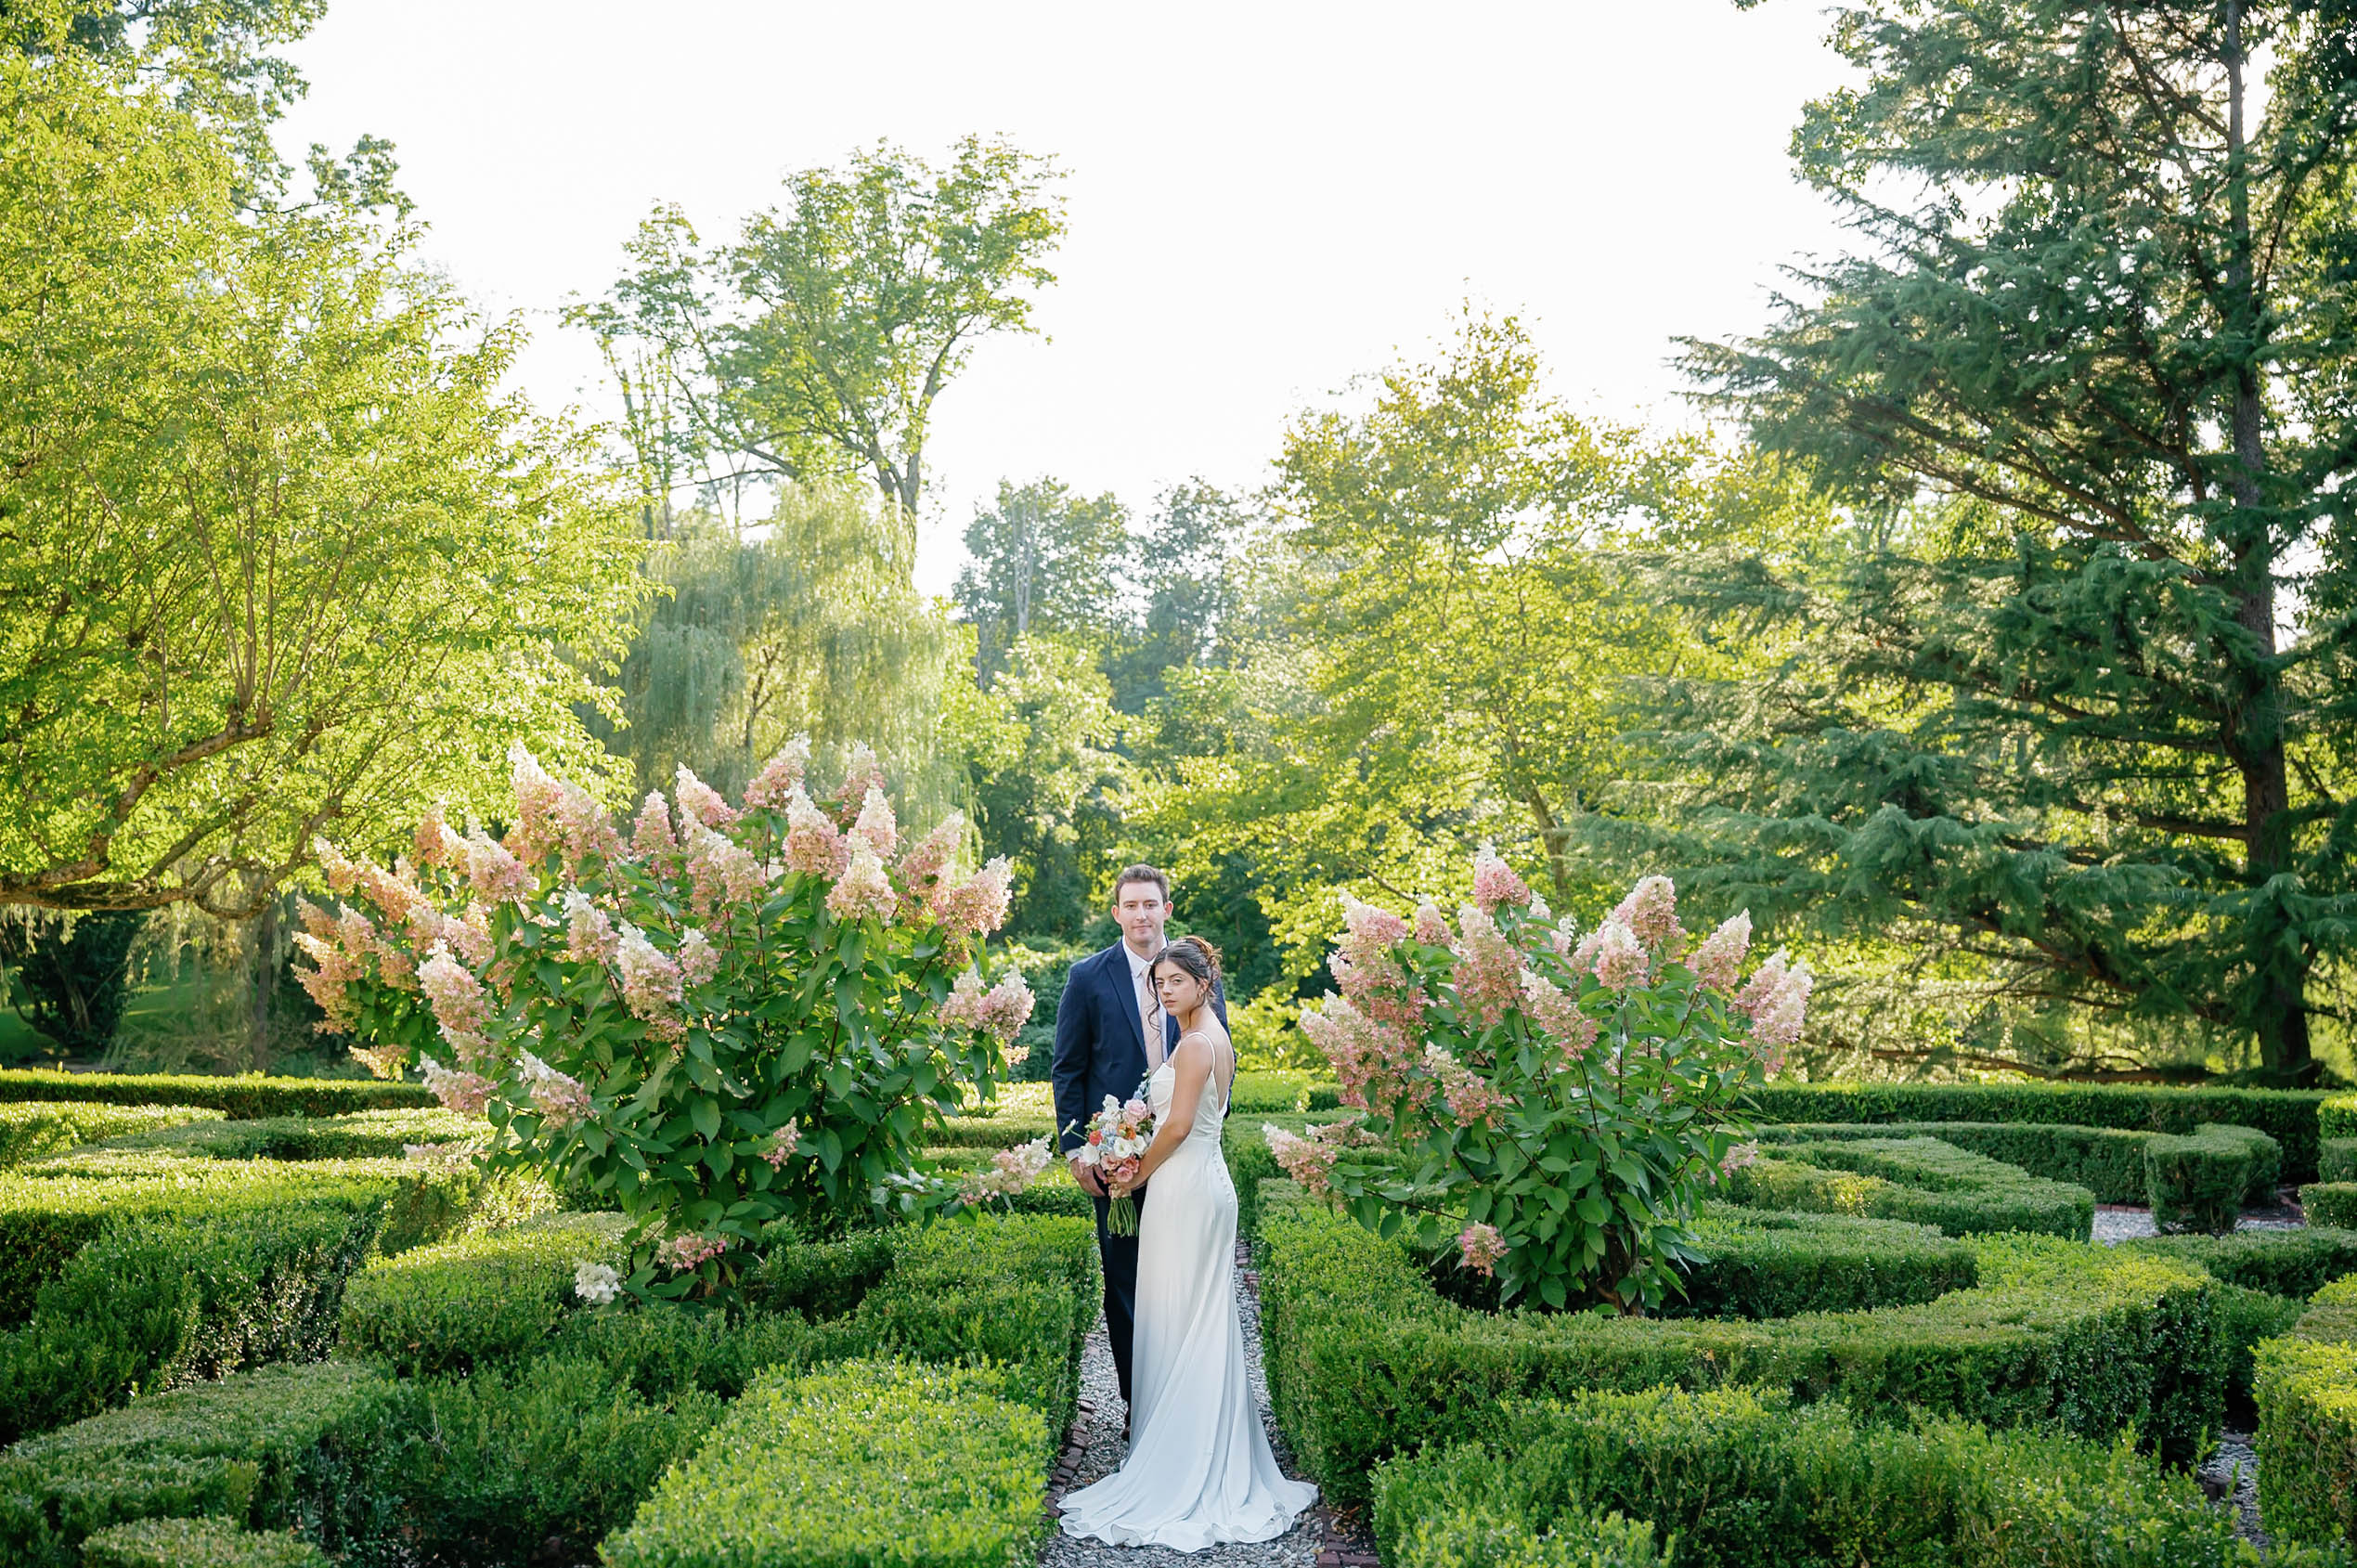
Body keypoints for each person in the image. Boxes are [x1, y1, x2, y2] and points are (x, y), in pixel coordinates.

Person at [1056, 936, 1319, 1550]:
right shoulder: (1197, 1039)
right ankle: (1186, 1441)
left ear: (1204, 984)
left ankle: (1187, 1460)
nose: (1164, 989)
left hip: (1187, 1186)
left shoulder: (1199, 1042)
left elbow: (1176, 1126)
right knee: (1183, 1316)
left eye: (1176, 980)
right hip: (1193, 1184)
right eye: (1159, 983)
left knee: (1187, 1317)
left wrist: (1131, 1175)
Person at [1051, 864, 1227, 1428]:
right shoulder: (1086, 978)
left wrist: (1203, 1132)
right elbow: (1068, 1070)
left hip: (1180, 1167)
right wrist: (1079, 1153)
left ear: (1166, 910)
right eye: (1131, 905)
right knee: (1126, 1285)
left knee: (1186, 1284)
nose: (1142, 915)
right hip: (1116, 1164)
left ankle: (1190, 1405)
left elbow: (1222, 1068)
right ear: (1117, 913)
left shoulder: (1198, 974)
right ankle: (1140, 1410)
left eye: (1151, 904)